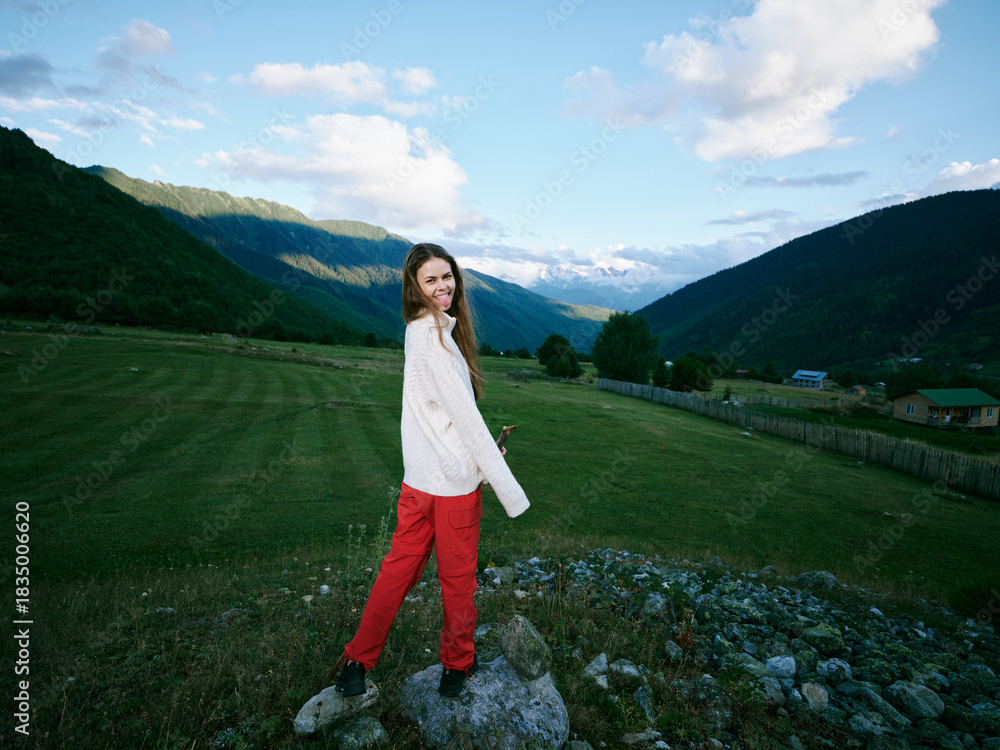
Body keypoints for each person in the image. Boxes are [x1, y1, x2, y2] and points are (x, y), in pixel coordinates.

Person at [331, 242, 530, 699]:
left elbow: (432, 416)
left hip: (418, 482)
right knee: (458, 581)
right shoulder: (437, 340)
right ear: (415, 287)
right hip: (453, 487)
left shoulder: (416, 330)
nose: (443, 287)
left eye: (447, 276)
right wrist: (500, 479)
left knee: (396, 572)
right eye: (431, 280)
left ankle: (356, 663)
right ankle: (457, 668)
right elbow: (466, 419)